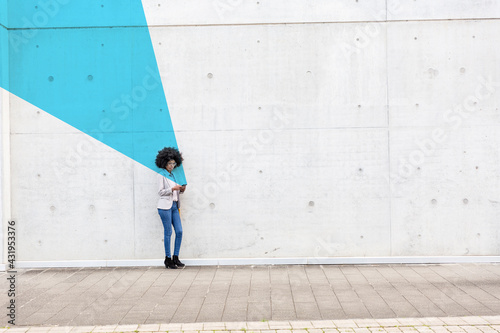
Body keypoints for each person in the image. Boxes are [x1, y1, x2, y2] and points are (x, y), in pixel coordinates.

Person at [155, 147, 187, 269]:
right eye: (169, 163)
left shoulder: (173, 175)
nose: (172, 166)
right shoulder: (161, 175)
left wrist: (181, 190)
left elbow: (175, 191)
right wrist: (173, 189)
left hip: (174, 205)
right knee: (168, 232)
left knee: (179, 231)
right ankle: (167, 259)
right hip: (164, 207)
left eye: (174, 163)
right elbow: (160, 192)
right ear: (164, 162)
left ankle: (176, 257)